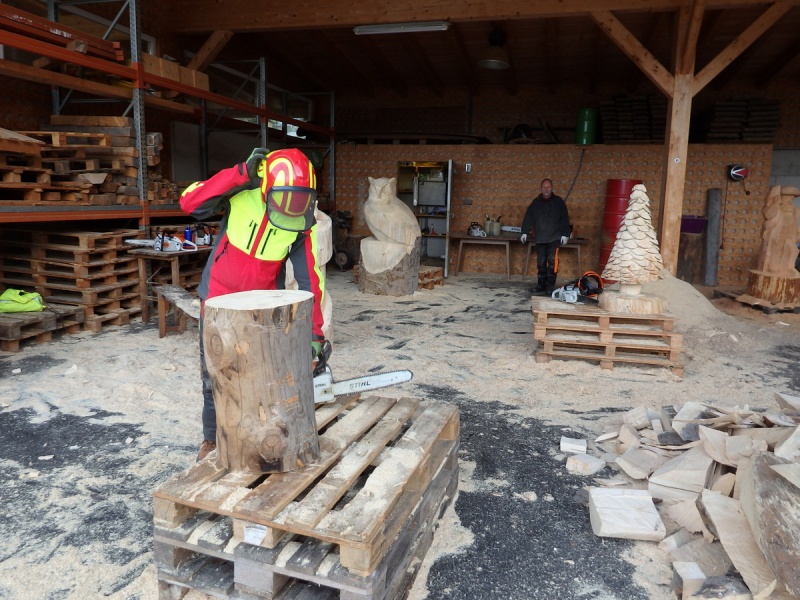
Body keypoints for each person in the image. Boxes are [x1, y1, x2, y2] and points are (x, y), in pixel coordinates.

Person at [180, 147, 326, 461]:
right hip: (218, 301)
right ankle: (212, 440)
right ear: (266, 187)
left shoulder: (302, 223)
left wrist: (315, 332)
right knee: (215, 376)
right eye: (283, 199)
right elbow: (190, 202)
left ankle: (261, 440)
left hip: (263, 309)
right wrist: (239, 175)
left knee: (263, 377)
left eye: (299, 201)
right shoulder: (240, 194)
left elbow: (310, 280)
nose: (290, 208)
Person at [520, 178, 571, 293]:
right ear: (541, 188)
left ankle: (549, 287)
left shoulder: (558, 202)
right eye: (544, 187)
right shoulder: (536, 203)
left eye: (548, 187)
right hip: (540, 238)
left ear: (552, 188)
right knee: (541, 262)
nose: (546, 189)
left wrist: (565, 234)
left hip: (554, 237)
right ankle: (541, 286)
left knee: (552, 261)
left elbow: (564, 218)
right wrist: (524, 232)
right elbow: (528, 217)